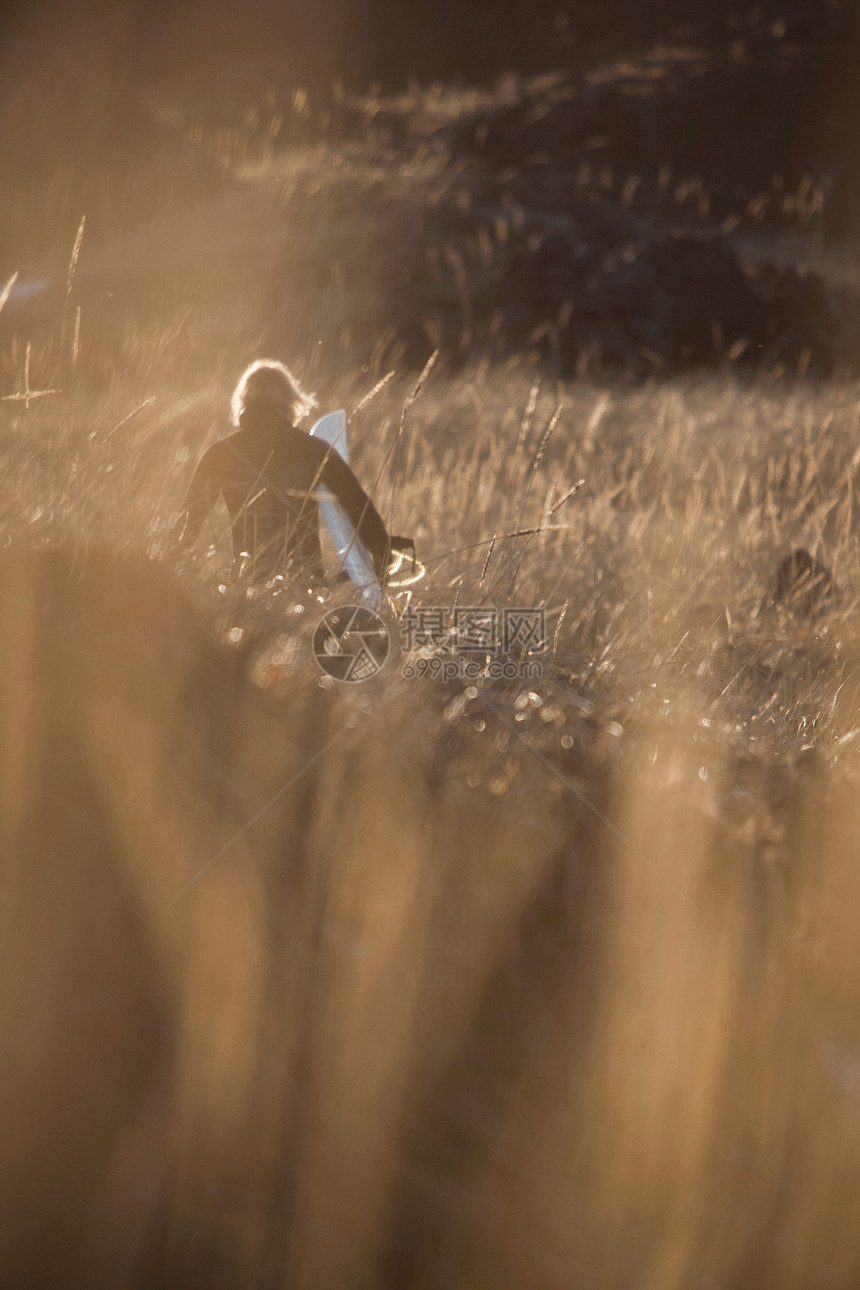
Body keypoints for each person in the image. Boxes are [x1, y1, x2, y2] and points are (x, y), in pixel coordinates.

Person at [181, 360, 392, 586]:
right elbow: (361, 511)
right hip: (305, 587)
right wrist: (382, 561)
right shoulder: (316, 451)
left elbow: (186, 527)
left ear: (242, 402)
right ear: (291, 402)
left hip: (245, 588)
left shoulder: (220, 454)